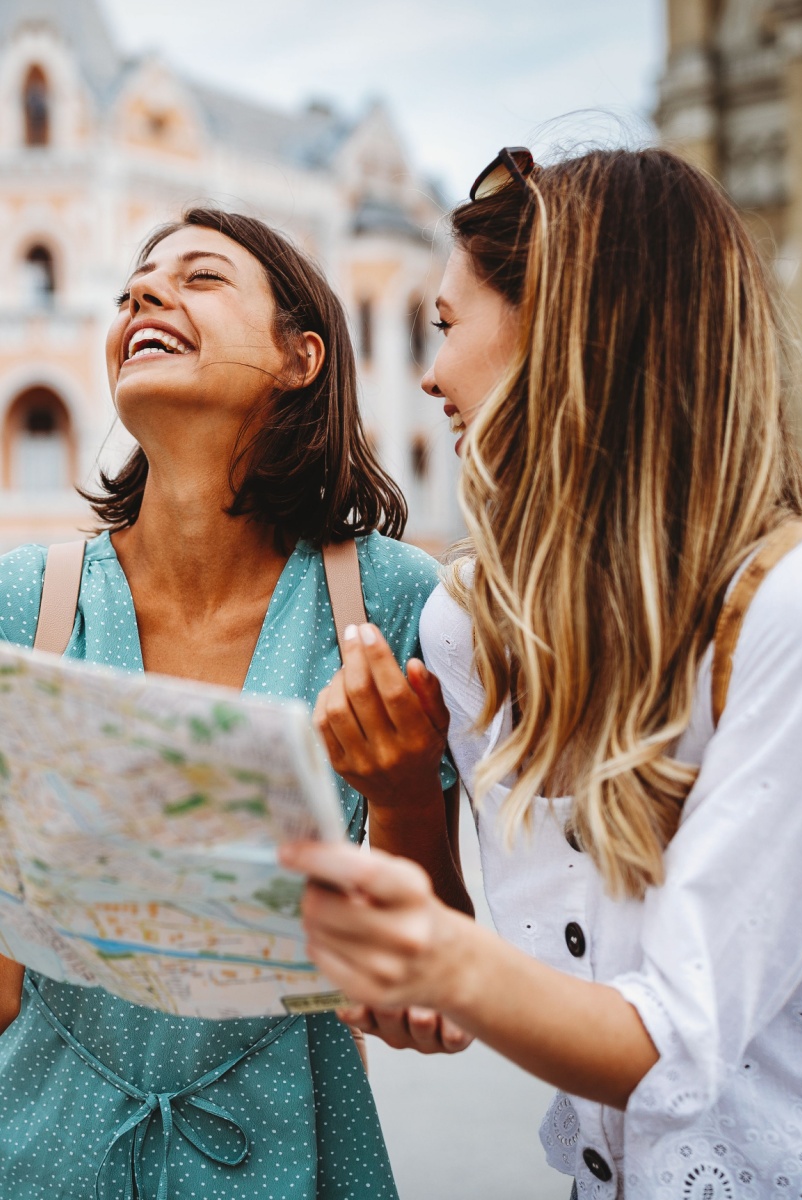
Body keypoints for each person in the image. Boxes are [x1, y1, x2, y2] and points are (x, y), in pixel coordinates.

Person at [280, 147, 802, 1199]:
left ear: (564, 331)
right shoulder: (470, 625)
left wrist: (426, 951)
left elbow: (670, 1044)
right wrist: (398, 803)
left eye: (447, 325)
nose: (429, 375)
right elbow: (482, 998)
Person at [0, 210, 469, 1198]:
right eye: (134, 284)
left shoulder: (390, 599)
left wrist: (406, 797)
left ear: (301, 357)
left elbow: (430, 994)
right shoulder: (20, 603)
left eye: (199, 277)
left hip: (298, 1162)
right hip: (38, 1159)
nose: (142, 296)